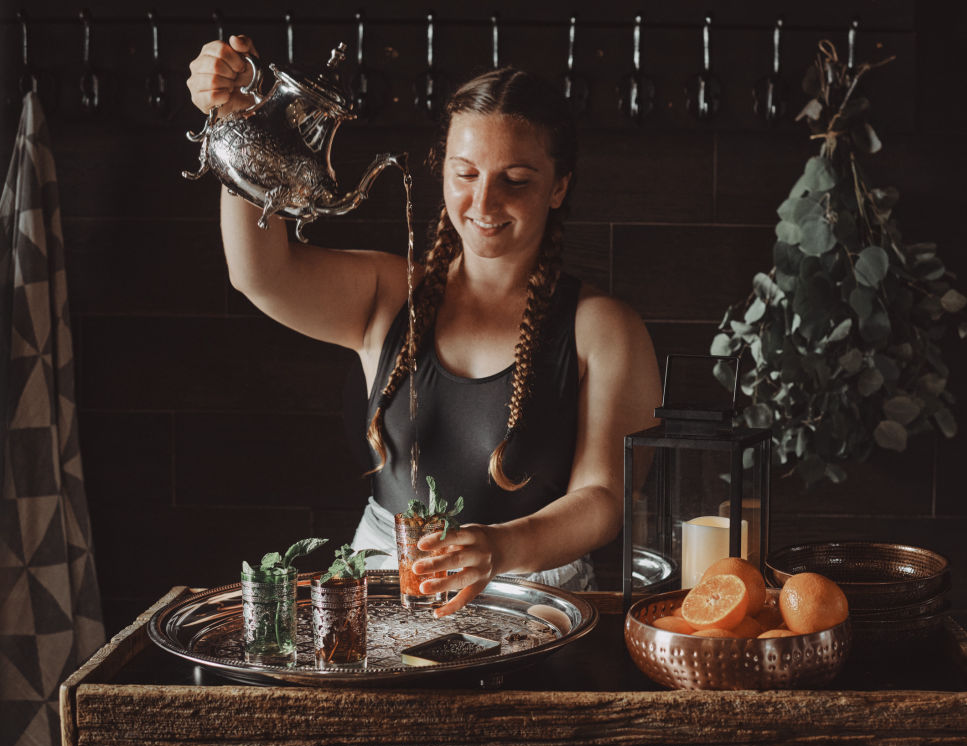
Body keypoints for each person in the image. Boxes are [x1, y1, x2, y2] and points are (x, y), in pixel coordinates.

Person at [186, 35, 661, 617]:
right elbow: (258, 274)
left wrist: (500, 547)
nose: (484, 202)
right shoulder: (388, 294)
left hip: (535, 600)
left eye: (516, 179)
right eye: (465, 173)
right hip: (381, 591)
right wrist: (236, 118)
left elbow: (605, 498)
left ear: (559, 186)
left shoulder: (603, 328)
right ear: (442, 169)